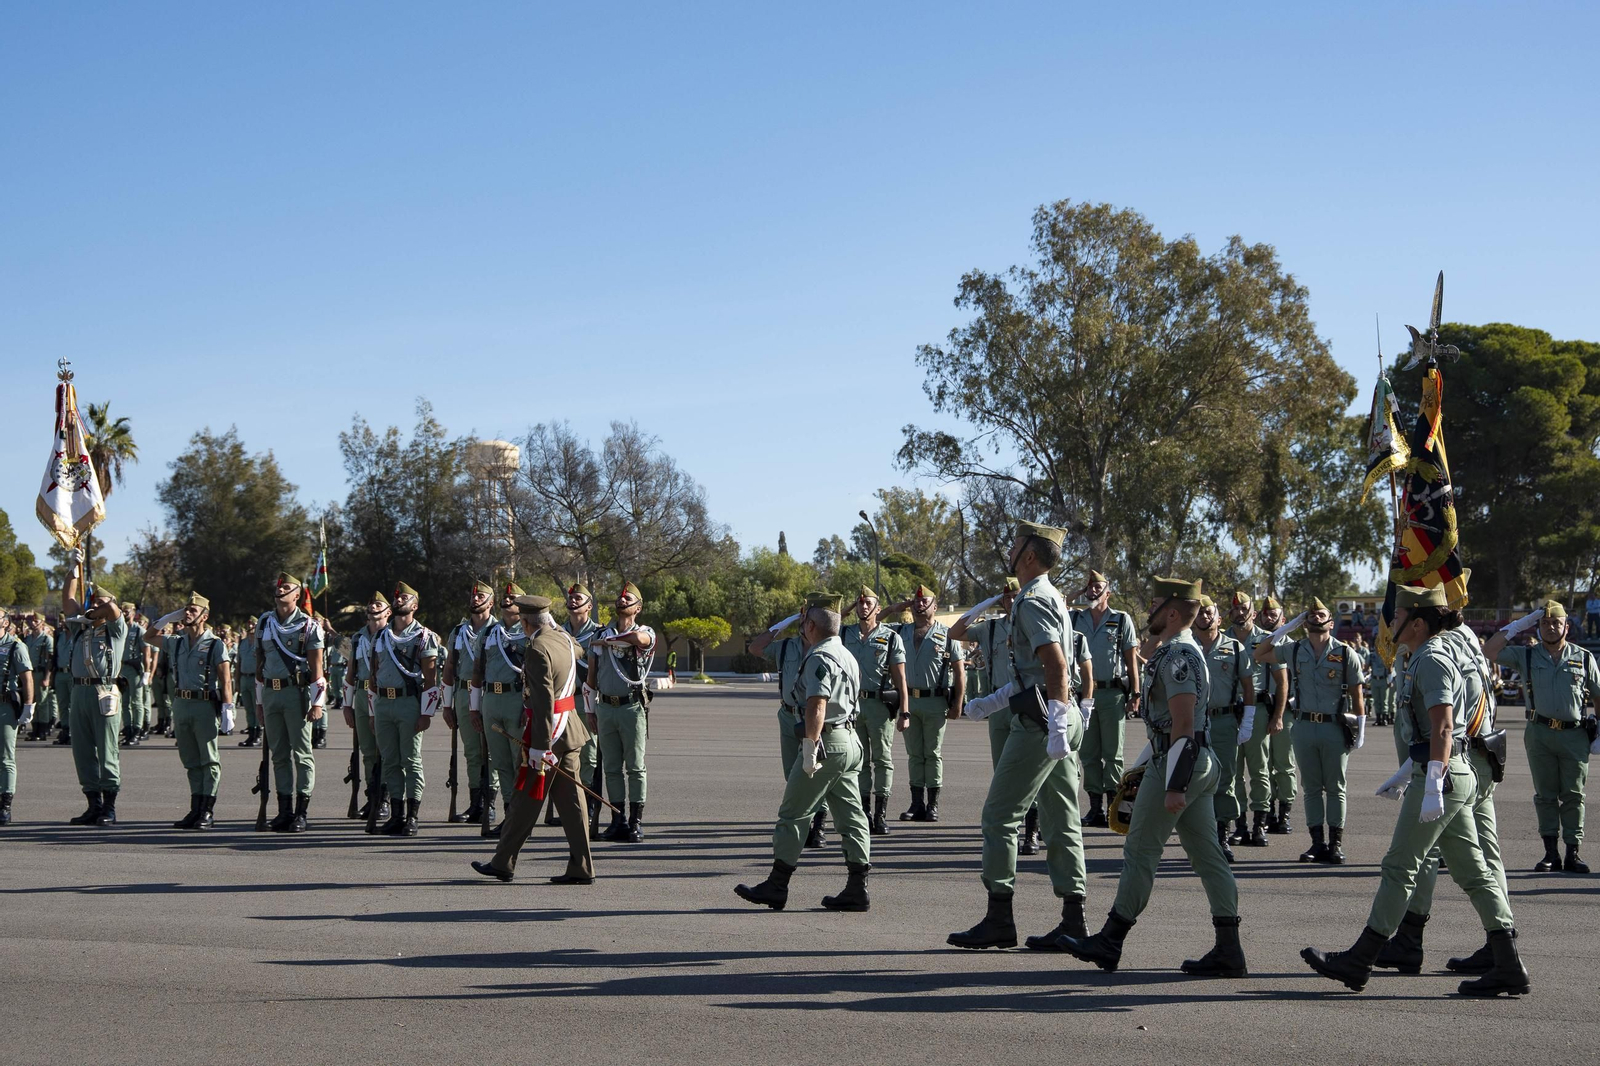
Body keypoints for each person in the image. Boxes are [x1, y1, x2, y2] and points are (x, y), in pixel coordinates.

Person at [1302, 584, 1529, 997]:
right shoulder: (1425, 655)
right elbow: (1434, 731)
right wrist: (1410, 770)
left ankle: (1361, 959)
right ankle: (1509, 963)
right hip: (1445, 770)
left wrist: (1433, 782)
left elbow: (1444, 727)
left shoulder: (1432, 659)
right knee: (1473, 872)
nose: (1391, 622)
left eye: (1399, 615)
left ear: (1418, 623)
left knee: (1399, 866)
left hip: (1443, 775)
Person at [1058, 576, 1245, 978]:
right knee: (1208, 857)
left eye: (1156, 604)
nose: (1149, 610)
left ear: (1172, 613)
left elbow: (1183, 723)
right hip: (1189, 761)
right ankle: (1229, 948)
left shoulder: (1178, 656)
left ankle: (1111, 940)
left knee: (1140, 853)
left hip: (1180, 762)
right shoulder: (1179, 650)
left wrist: (1174, 784)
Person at [948, 521, 1092, 950]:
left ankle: (999, 917)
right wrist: (992, 702)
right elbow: (1031, 673)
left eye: (1014, 545)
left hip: (1042, 720)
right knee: (1061, 818)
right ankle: (1073, 919)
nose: (1009, 551)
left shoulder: (1032, 599)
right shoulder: (1050, 596)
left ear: (1029, 554)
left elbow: (1055, 666)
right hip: (1053, 713)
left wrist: (1056, 723)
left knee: (999, 816)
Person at [1373, 576, 1511, 978]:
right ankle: (1420, 940)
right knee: (1460, 858)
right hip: (1457, 755)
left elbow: (1454, 714)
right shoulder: (1451, 641)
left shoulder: (1445, 645)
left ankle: (1499, 946)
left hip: (1463, 758)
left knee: (1468, 856)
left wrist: (1435, 770)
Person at [735, 592, 873, 912]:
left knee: (793, 813)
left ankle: (777, 884)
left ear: (810, 625)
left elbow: (817, 704)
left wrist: (810, 747)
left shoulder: (820, 656)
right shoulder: (846, 653)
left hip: (827, 743)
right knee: (851, 817)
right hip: (849, 741)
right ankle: (857, 887)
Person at [470, 595, 596, 885]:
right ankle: (581, 866)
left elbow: (543, 702)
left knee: (524, 800)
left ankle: (503, 863)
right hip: (569, 731)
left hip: (548, 734)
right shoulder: (564, 639)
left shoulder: (538, 648)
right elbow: (578, 649)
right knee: (572, 805)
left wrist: (540, 748)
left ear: (525, 623)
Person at [1486, 599, 1600, 874]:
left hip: (1574, 735)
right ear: (1538, 627)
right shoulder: (1526, 656)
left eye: (1556, 623)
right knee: (1545, 795)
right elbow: (1489, 651)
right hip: (1540, 734)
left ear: (1566, 626)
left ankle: (1573, 852)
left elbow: (1598, 695)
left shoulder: (1584, 657)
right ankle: (1551, 853)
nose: (1550, 627)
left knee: (1574, 794)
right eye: (1545, 623)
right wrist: (1519, 624)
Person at [1254, 597, 1367, 864]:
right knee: (1312, 788)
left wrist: (1360, 730)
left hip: (1334, 727)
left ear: (1331, 622)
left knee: (1336, 787)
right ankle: (1317, 843)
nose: (1316, 618)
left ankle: (1335, 844)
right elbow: (1259, 653)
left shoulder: (1345, 653)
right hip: (1304, 726)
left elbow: (1357, 695)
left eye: (1321, 615)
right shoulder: (1294, 649)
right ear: (1305, 623)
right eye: (1311, 616)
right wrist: (1286, 628)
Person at [949, 579, 1031, 847]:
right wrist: (983, 606)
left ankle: (1032, 829)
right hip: (998, 706)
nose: (1011, 601)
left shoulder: (1030, 622)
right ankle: (1009, 826)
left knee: (1029, 768)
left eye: (1015, 596)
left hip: (1026, 701)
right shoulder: (991, 627)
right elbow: (954, 632)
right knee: (1002, 769)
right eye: (1006, 597)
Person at [750, 605, 831, 846]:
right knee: (792, 773)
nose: (804, 623)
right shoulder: (786, 646)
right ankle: (805, 822)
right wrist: (781, 624)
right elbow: (755, 648)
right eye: (801, 618)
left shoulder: (826, 647)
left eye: (808, 619)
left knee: (816, 771)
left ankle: (819, 825)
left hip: (815, 716)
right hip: (788, 716)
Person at [253, 572, 327, 833]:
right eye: (278, 586)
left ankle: (301, 811)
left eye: (286, 587)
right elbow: (259, 666)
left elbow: (317, 669)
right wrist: (259, 703)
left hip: (297, 694)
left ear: (297, 595)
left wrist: (317, 704)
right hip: (270, 694)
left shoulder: (309, 626)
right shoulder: (264, 622)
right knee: (279, 755)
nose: (280, 590)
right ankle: (283, 811)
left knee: (302, 754)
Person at [368, 582, 442, 836]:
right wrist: (372, 711)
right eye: (397, 597)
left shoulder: (423, 636)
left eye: (405, 598)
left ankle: (412, 815)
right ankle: (396, 814)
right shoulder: (381, 636)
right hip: (383, 703)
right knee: (390, 760)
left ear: (415, 606)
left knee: (410, 760)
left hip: (409, 703)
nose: (399, 600)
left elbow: (430, 680)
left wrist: (426, 713)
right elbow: (373, 676)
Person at [585, 581, 656, 843]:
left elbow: (639, 640)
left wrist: (608, 641)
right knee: (611, 768)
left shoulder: (644, 631)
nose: (622, 601)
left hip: (631, 706)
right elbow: (591, 677)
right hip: (605, 706)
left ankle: (636, 822)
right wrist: (590, 710)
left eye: (629, 599)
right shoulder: (600, 633)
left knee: (635, 767)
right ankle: (618, 820)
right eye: (621, 598)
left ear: (638, 608)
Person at [61, 550, 127, 826]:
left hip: (104, 692)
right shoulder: (81, 628)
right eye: (92, 600)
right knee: (83, 749)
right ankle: (93, 804)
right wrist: (73, 570)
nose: (94, 605)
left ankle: (109, 806)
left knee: (107, 749)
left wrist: (94, 610)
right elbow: (68, 599)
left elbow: (112, 610)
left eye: (99, 601)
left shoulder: (115, 630)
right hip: (79, 691)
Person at [890, 584, 965, 822]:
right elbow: (872, 622)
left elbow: (959, 671)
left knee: (932, 753)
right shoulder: (900, 631)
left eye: (925, 601)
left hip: (935, 701)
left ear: (935, 606)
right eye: (916, 601)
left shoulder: (948, 634)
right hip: (909, 702)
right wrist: (895, 608)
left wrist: (958, 703)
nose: (919, 605)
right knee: (914, 754)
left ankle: (932, 804)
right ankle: (916, 804)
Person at [1072, 572, 1140, 829]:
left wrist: (1135, 693)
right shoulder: (1075, 618)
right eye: (1088, 587)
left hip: (1112, 693)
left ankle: (1113, 805)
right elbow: (1058, 604)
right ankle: (1095, 808)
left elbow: (1131, 659)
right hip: (1084, 695)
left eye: (1097, 587)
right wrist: (1078, 593)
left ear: (1108, 593)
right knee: (1088, 753)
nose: (1092, 591)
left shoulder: (1121, 619)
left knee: (1113, 753)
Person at [162, 593, 234, 829]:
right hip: (181, 704)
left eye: (193, 610)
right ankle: (195, 809)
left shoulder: (215, 644)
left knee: (209, 760)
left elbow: (225, 680)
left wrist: (228, 709)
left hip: (204, 705)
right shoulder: (177, 641)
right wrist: (168, 617)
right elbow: (148, 636)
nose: (187, 612)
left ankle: (207, 810)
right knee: (190, 760)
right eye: (186, 609)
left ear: (205, 616)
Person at [840, 588, 908, 838]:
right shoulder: (844, 634)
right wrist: (847, 608)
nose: (864, 607)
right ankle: (864, 812)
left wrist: (905, 712)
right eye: (860, 603)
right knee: (858, 761)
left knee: (882, 760)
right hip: (852, 706)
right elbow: (830, 620)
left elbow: (900, 678)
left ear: (878, 609)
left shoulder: (890, 638)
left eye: (868, 603)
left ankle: (880, 814)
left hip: (879, 706)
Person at [1193, 596, 1255, 864]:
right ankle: (1197, 837)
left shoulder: (1235, 647)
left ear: (1218, 618)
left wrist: (1248, 720)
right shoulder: (1185, 645)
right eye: (1199, 613)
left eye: (1209, 612)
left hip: (1223, 721)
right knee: (1191, 778)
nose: (1204, 617)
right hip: (1191, 721)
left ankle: (1222, 836)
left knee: (1225, 779)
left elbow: (1248, 686)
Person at [1227, 592, 1286, 848]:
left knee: (1260, 770)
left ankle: (1259, 824)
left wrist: (1278, 716)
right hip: (1229, 712)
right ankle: (1239, 825)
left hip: (1259, 710)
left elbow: (1282, 682)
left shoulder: (1267, 640)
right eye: (1235, 609)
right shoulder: (1222, 639)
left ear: (1254, 613)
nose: (1240, 613)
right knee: (1233, 772)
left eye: (1244, 609)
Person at [472, 582, 527, 838]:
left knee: (519, 762)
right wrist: (475, 708)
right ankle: (509, 815)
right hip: (491, 700)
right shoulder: (488, 633)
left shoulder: (529, 632)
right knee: (501, 762)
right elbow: (477, 671)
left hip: (517, 699)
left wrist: (530, 706)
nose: (508, 600)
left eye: (513, 597)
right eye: (506, 597)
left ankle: (522, 818)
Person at [444, 579, 496, 826]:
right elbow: (449, 667)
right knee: (472, 752)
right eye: (473, 595)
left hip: (491, 694)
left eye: (481, 596)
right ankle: (476, 803)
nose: (475, 599)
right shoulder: (458, 632)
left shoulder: (499, 630)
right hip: (464, 693)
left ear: (491, 602)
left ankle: (490, 802)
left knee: (492, 752)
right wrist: (447, 705)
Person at [561, 583, 604, 837]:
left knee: (588, 756)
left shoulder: (599, 633)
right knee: (563, 754)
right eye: (571, 597)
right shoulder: (557, 631)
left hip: (586, 700)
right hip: (562, 700)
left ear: (589, 605)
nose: (573, 601)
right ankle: (568, 804)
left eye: (579, 598)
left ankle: (587, 806)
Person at [1253, 595, 1298, 834]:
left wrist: (1279, 716)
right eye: (1265, 614)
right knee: (1264, 765)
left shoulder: (1292, 647)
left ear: (1284, 619)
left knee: (1283, 763)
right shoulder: (1257, 643)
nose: (1269, 618)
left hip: (1285, 712)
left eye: (1273, 614)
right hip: (1261, 708)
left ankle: (1284, 813)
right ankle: (1268, 809)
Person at [344, 592, 390, 824]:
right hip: (362, 695)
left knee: (385, 750)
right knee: (368, 751)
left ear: (388, 612)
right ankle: (372, 796)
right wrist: (347, 704)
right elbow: (351, 672)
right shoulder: (358, 638)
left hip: (383, 695)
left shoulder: (393, 635)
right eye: (371, 604)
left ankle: (385, 798)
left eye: (378, 604)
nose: (373, 607)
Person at [0, 609, 37, 825]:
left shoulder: (16, 646)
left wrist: (28, 705)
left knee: (5, 757)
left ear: (5, 623)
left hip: (5, 706)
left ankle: (5, 804)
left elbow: (27, 678)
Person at [118, 604, 149, 747]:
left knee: (136, 702)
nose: (124, 614)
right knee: (124, 702)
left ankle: (137, 730)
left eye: (126, 611)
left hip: (134, 669)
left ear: (133, 613)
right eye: (122, 611)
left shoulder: (139, 630)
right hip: (122, 668)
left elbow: (146, 652)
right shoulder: (119, 628)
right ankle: (128, 730)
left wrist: (147, 673)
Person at [23, 615, 54, 742]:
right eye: (31, 620)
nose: (32, 623)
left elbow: (50, 660)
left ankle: (42, 730)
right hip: (29, 673)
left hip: (41, 673)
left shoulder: (47, 639)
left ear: (42, 622)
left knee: (42, 702)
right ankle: (34, 728)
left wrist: (47, 677)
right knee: (32, 701)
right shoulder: (28, 639)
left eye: (36, 621)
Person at [236, 619, 261, 746]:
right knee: (248, 708)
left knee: (257, 707)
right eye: (248, 624)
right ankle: (251, 734)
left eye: (253, 624)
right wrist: (237, 681)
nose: (250, 626)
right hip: (244, 678)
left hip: (255, 678)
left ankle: (258, 735)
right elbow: (239, 662)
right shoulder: (243, 642)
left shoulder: (260, 642)